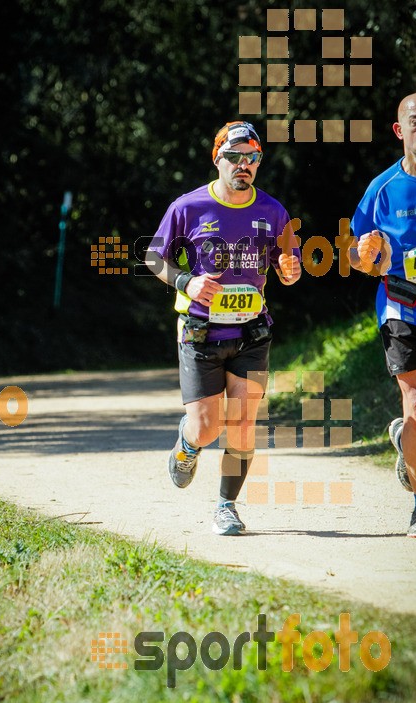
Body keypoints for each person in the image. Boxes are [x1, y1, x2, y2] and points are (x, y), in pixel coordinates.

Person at [146, 121, 301, 535]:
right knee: (207, 426)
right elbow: (153, 257)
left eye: (252, 157)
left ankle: (226, 506)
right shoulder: (188, 207)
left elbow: (289, 263)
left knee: (244, 422)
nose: (244, 164)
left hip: (252, 331)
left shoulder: (274, 211)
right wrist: (186, 281)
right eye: (235, 156)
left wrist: (289, 271)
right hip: (200, 333)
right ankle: (188, 441)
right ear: (218, 159)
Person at [350, 92, 416, 537]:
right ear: (399, 130)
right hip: (404, 306)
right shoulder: (382, 189)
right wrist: (364, 256)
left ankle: (406, 439)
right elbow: (357, 254)